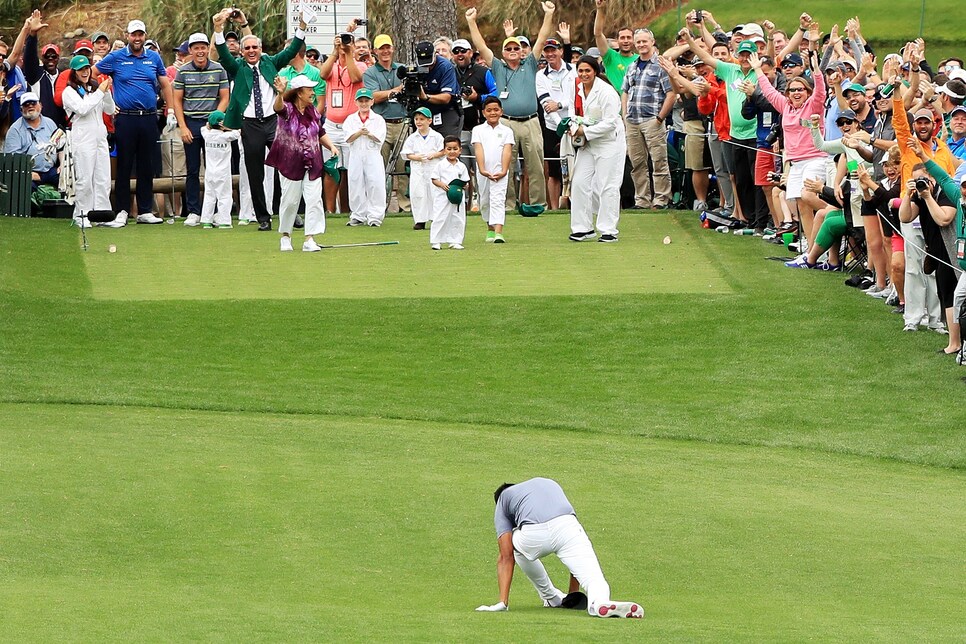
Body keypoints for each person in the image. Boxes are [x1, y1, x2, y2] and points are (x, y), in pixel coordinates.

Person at [475, 477, 644, 618]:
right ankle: (599, 602)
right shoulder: (548, 483)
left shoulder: (503, 499)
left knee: (513, 546)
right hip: (568, 526)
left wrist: (502, 603)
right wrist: (573, 594)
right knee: (594, 579)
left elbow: (506, 556)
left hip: (534, 536)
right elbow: (574, 565)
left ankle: (550, 597)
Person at [213, 9, 307, 231]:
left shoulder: (270, 62)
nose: (251, 50)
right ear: (243, 52)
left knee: (285, 168)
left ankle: (290, 212)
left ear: (261, 49)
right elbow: (223, 53)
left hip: (273, 121)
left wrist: (302, 27)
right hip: (250, 124)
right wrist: (218, 29)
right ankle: (263, 217)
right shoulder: (237, 68)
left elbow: (292, 49)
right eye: (247, 48)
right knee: (255, 173)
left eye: (255, 47)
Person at [465, 2, 556, 212]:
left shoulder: (530, 63)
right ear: (503, 52)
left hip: (531, 121)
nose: (513, 51)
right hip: (506, 123)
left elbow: (541, 39)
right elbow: (481, 46)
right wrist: (471, 22)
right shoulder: (497, 66)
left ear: (521, 51)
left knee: (535, 165)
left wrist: (549, 15)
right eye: (509, 48)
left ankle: (537, 204)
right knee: (505, 164)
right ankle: (506, 205)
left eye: (516, 48)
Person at [92, 19, 175, 225]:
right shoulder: (117, 57)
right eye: (133, 35)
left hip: (148, 117)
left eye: (140, 35)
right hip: (125, 118)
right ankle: (122, 210)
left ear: (144, 35)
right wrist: (106, 101)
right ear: (128, 36)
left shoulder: (153, 57)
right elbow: (93, 74)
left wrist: (171, 109)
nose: (137, 38)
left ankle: (145, 211)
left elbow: (165, 85)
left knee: (146, 166)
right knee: (125, 165)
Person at [266, 75, 338, 252]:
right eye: (309, 90)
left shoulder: (313, 110)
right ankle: (285, 236)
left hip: (313, 162)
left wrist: (331, 146)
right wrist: (280, 93)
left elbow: (320, 131)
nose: (313, 93)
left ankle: (309, 239)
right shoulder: (288, 109)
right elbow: (278, 107)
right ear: (299, 93)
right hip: (290, 163)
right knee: (290, 201)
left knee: (314, 200)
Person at [567, 55, 626, 243]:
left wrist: (585, 131)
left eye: (587, 70)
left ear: (595, 72)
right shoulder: (576, 88)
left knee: (607, 185)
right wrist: (574, 127)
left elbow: (610, 123)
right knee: (578, 183)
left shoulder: (607, 92)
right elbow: (571, 112)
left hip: (609, 142)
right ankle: (582, 228)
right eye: (581, 70)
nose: (584, 74)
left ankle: (608, 230)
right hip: (587, 142)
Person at [173, 33, 229, 227]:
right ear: (190, 50)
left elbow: (224, 97)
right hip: (191, 122)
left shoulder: (218, 69)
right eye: (196, 48)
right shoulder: (184, 71)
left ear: (208, 48)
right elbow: (177, 100)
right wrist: (182, 126)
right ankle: (194, 211)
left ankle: (213, 211)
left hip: (212, 124)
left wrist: (214, 119)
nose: (200, 51)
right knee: (193, 169)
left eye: (203, 47)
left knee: (214, 170)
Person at [621, 28, 675, 210]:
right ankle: (642, 200)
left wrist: (660, 118)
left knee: (658, 160)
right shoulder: (632, 66)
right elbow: (625, 92)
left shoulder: (661, 65)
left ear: (652, 42)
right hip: (632, 120)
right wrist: (624, 115)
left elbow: (671, 94)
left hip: (652, 119)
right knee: (637, 163)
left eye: (645, 41)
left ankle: (661, 199)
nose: (641, 45)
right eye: (639, 42)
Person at [318, 26, 367, 215]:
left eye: (348, 44)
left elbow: (356, 77)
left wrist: (348, 54)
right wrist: (334, 51)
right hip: (331, 124)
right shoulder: (332, 65)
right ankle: (330, 210)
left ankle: (348, 209)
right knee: (331, 167)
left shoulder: (360, 65)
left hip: (351, 125)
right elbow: (323, 74)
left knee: (349, 170)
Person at [61, 56, 113, 228]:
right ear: (74, 72)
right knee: (84, 178)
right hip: (82, 138)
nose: (84, 72)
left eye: (86, 68)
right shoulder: (68, 92)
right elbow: (83, 109)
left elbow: (110, 109)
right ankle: (82, 215)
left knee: (103, 178)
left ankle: (102, 214)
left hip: (100, 137)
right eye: (80, 69)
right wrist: (100, 92)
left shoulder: (95, 88)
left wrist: (106, 92)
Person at [365, 34, 410, 213]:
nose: (385, 51)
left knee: (403, 166)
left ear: (392, 48)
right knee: (379, 167)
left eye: (387, 47)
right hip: (381, 124)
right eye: (381, 48)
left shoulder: (402, 69)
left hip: (402, 122)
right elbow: (373, 97)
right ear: (375, 51)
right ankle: (378, 206)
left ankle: (404, 206)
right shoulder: (370, 73)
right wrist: (395, 91)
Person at [536, 37, 575, 210]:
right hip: (553, 127)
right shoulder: (540, 75)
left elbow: (574, 98)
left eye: (554, 50)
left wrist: (561, 105)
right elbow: (546, 103)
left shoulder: (573, 70)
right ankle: (554, 209)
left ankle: (575, 205)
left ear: (560, 51)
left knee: (576, 167)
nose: (550, 54)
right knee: (553, 172)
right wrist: (561, 126)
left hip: (574, 125)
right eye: (547, 51)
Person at [343, 88, 387, 227]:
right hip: (356, 154)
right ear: (356, 102)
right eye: (361, 101)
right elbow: (348, 138)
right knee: (355, 182)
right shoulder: (351, 119)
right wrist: (359, 132)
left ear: (372, 102)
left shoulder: (378, 119)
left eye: (366, 101)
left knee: (375, 183)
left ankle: (375, 216)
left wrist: (368, 133)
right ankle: (358, 214)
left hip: (372, 154)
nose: (363, 104)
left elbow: (380, 138)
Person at [472, 96, 514, 243]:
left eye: (496, 110)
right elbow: (478, 150)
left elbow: (507, 151)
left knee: (498, 200)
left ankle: (498, 232)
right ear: (483, 113)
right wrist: (483, 169)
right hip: (483, 171)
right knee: (484, 200)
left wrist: (503, 170)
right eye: (489, 110)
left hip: (500, 172)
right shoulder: (478, 130)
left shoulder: (507, 130)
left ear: (501, 111)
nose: (493, 113)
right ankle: (490, 228)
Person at [3, 92, 60, 189]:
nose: (30, 106)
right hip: (27, 173)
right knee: (24, 188)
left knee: (68, 179)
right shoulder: (15, 130)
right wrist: (27, 172)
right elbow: (11, 160)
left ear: (40, 106)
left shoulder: (50, 123)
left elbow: (60, 147)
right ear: (21, 110)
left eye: (33, 103)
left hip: (50, 171)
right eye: (26, 104)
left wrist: (62, 166)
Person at [402, 107, 445, 230]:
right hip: (418, 169)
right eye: (416, 119)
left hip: (433, 168)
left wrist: (434, 155)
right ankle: (420, 220)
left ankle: (436, 218)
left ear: (429, 121)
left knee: (434, 193)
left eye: (422, 119)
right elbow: (406, 154)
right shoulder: (412, 138)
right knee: (418, 193)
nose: (418, 122)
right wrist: (416, 157)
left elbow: (443, 151)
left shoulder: (436, 136)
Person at [198, 110, 239, 228]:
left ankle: (206, 220)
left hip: (210, 172)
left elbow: (203, 128)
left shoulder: (207, 135)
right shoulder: (226, 136)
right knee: (225, 196)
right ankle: (224, 221)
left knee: (209, 195)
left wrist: (210, 125)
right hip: (223, 172)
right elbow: (238, 132)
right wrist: (228, 127)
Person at [430, 135, 470, 250]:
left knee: (457, 217)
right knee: (440, 217)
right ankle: (436, 241)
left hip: (457, 197)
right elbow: (434, 179)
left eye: (455, 149)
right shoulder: (440, 165)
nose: (452, 151)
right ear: (444, 150)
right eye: (449, 149)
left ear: (460, 150)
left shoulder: (461, 166)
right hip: (442, 196)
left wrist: (465, 186)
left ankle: (455, 240)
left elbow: (465, 181)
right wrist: (442, 185)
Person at [592, 0, 636, 93]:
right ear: (617, 40)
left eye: (629, 37)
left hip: (634, 105)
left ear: (634, 40)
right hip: (613, 105)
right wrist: (600, 9)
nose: (626, 41)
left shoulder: (640, 59)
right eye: (622, 38)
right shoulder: (610, 57)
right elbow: (598, 34)